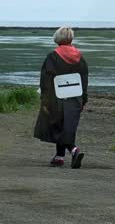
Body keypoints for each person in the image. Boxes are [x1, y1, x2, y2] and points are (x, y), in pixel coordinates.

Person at [34, 27, 89, 168]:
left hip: (56, 97)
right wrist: (83, 99)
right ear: (71, 38)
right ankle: (59, 156)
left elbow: (46, 80)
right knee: (67, 126)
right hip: (75, 97)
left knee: (56, 125)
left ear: (57, 38)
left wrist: (45, 100)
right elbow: (84, 80)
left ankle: (73, 150)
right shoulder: (80, 58)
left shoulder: (53, 57)